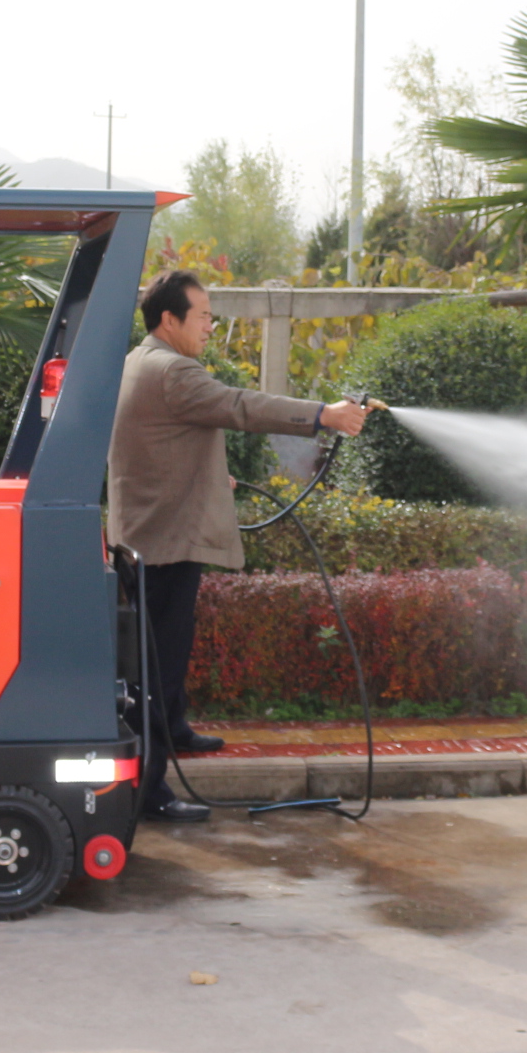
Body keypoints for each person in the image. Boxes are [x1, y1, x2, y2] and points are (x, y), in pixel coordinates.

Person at [109, 269, 369, 823]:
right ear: (169, 320)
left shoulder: (140, 360)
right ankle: (150, 792)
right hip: (164, 543)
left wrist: (207, 477)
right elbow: (241, 407)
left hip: (149, 534)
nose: (210, 325)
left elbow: (154, 444)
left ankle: (174, 733)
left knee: (159, 655)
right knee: (159, 667)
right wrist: (323, 414)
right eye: (202, 315)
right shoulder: (175, 371)